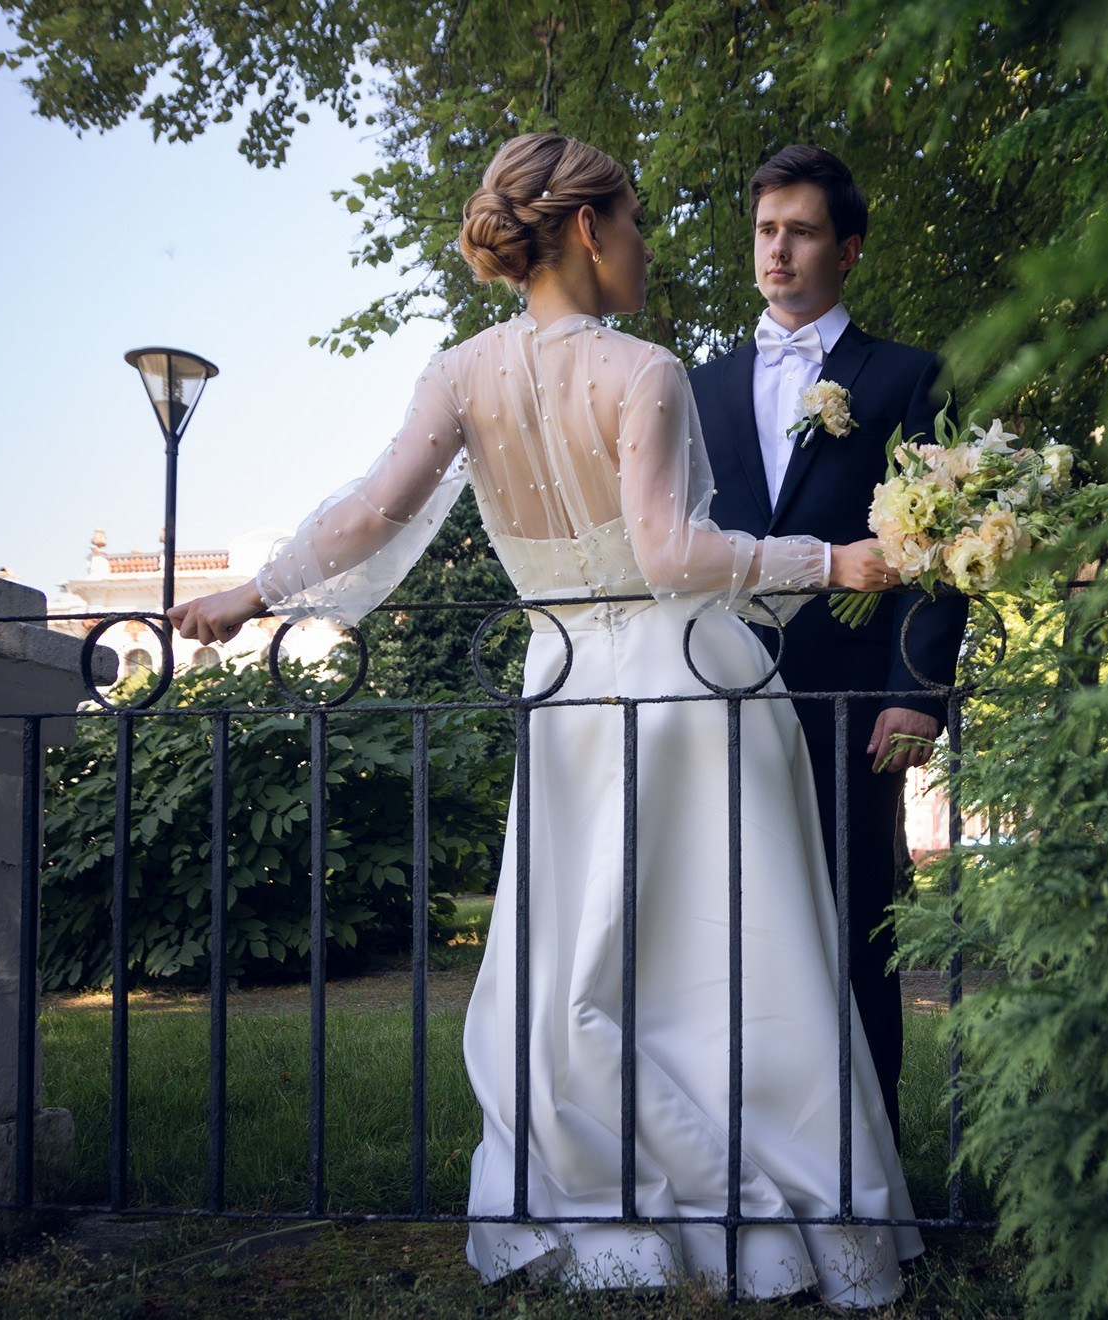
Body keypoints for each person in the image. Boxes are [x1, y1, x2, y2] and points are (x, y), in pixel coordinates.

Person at [168, 132, 924, 1307]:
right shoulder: (645, 370)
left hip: (567, 695)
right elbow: (673, 553)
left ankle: (608, 1198)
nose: (645, 247)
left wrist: (249, 594)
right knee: (737, 959)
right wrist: (837, 560)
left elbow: (369, 515)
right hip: (692, 693)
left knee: (588, 961)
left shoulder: (460, 374)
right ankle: (772, 1213)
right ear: (587, 229)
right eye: (632, 225)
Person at [690, 146, 967, 1140]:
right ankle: (746, 1168)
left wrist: (915, 692)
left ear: (847, 249)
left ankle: (869, 1180)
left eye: (802, 230)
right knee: (730, 939)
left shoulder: (905, 377)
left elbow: (945, 546)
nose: (779, 248)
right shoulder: (699, 388)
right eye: (766, 229)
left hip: (853, 706)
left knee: (854, 939)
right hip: (717, 701)